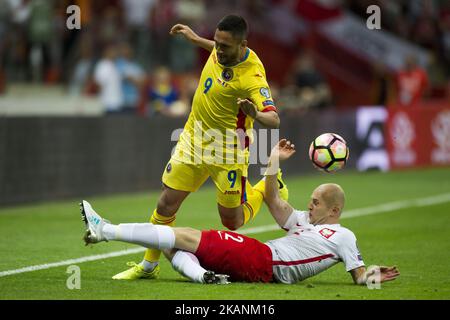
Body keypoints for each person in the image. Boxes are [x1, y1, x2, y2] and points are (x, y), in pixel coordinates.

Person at [80, 139, 400, 285]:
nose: (309, 205)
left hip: (263, 260)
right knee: (172, 244)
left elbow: (359, 277)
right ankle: (203, 277)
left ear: (335, 209)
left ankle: (104, 230)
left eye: (316, 202)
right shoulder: (304, 222)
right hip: (261, 263)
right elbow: (274, 201)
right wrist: (272, 162)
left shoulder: (344, 236)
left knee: (184, 235)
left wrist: (375, 275)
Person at [112, 15, 285, 280]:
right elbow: (215, 48)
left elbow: (274, 119)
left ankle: (262, 189)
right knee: (166, 203)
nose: (217, 50)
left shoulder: (252, 77)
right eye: (216, 43)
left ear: (242, 45)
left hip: (228, 151)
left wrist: (256, 114)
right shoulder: (221, 50)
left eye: (224, 46)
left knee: (232, 222)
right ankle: (149, 266)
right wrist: (195, 39)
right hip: (193, 140)